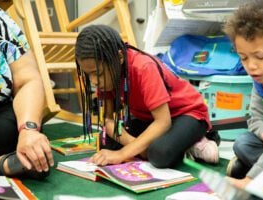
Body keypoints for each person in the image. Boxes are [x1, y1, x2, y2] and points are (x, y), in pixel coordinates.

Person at [75, 24, 219, 168]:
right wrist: (130, 142)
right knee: (106, 142)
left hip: (187, 114)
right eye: (89, 75)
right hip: (150, 118)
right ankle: (175, 142)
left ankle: (196, 140)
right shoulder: (105, 77)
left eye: (98, 74)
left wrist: (123, 153)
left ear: (119, 58)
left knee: (158, 154)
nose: (94, 81)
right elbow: (107, 119)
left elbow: (163, 122)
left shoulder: (143, 67)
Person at [222, 0, 263, 184]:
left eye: (260, 56)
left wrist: (249, 180)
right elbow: (255, 119)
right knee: (243, 143)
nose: (251, 66)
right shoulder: (260, 76)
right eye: (243, 57)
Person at [0, 5, 54, 179]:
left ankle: (21, 153)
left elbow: (28, 79)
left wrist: (28, 130)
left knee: (10, 129)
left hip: (0, 114)